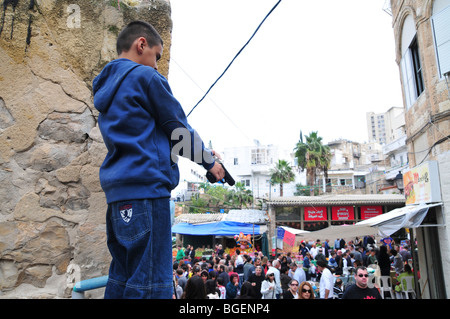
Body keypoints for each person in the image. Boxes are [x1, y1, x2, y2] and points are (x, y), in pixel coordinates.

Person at [94, 21, 225, 299]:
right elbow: (178, 130)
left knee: (121, 279)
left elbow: (149, 132)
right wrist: (209, 163)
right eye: (157, 55)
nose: (156, 65)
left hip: (117, 199)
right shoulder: (146, 77)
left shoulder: (106, 87)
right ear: (141, 45)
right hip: (147, 195)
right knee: (151, 287)